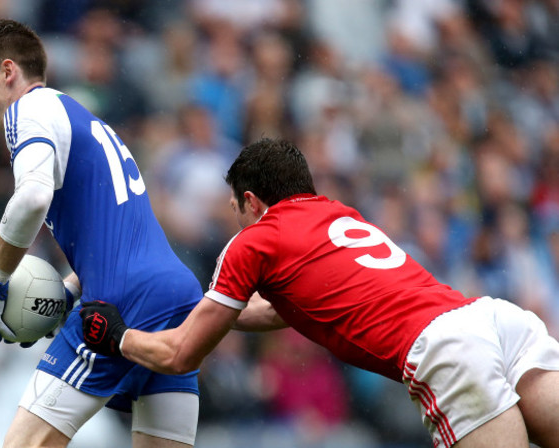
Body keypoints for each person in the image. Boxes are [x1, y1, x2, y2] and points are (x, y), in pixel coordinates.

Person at [81, 138, 559, 448]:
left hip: (445, 350)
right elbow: (292, 308)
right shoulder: (337, 213)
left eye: (235, 207)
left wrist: (118, 336)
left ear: (251, 200)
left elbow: (183, 354)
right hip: (495, 320)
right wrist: (216, 313)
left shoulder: (255, 239)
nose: (236, 218)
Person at [0, 19, 203, 448]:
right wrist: (69, 290)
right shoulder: (81, 118)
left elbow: (32, 198)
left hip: (118, 305)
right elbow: (120, 230)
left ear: (9, 72)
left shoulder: (27, 111)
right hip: (177, 294)